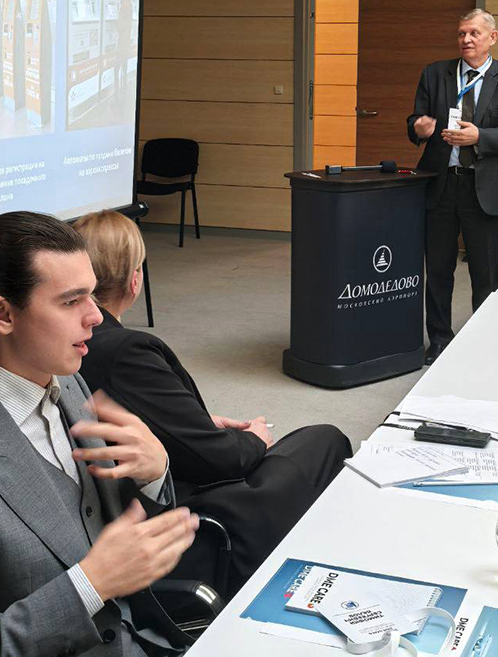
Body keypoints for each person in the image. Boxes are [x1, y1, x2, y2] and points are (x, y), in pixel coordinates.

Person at [0, 211, 199, 657]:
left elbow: (109, 533)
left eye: (92, 294)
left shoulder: (69, 385)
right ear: (2, 314)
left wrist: (153, 473)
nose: (95, 316)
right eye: (71, 301)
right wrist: (90, 584)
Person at [74, 209, 351, 597]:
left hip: (143, 494)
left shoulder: (71, 349)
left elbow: (144, 422)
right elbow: (220, 459)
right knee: (325, 440)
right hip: (191, 513)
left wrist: (199, 421)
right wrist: (253, 439)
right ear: (134, 280)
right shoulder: (125, 350)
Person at [407, 9, 498, 365]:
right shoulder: (435, 73)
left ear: (493, 37)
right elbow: (415, 120)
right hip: (441, 185)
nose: (466, 39)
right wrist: (419, 127)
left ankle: (482, 340)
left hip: (483, 187)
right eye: (462, 33)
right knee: (438, 270)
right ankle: (439, 340)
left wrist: (480, 137)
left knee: (484, 272)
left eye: (474, 33)